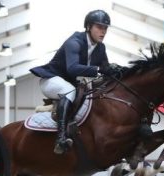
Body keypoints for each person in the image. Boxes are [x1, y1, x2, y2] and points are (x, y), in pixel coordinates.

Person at [30, 9, 118, 155]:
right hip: (51, 80)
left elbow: (106, 69)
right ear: (89, 27)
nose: (103, 31)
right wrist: (99, 69)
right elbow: (72, 68)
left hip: (71, 84)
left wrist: (117, 70)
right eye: (99, 27)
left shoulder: (101, 48)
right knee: (69, 92)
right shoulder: (75, 42)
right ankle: (61, 138)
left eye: (105, 28)